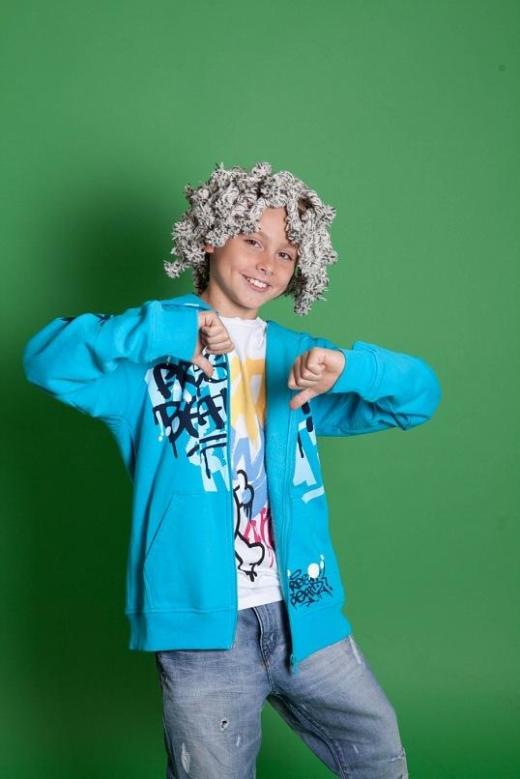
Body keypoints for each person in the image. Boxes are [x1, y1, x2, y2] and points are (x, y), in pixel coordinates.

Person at [22, 160, 442, 778]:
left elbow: (419, 398)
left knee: (379, 753)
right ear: (211, 237)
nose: (268, 262)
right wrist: (169, 330)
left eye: (287, 253)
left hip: (306, 615)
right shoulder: (150, 355)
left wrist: (349, 370)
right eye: (252, 240)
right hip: (201, 633)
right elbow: (45, 361)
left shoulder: (300, 359)